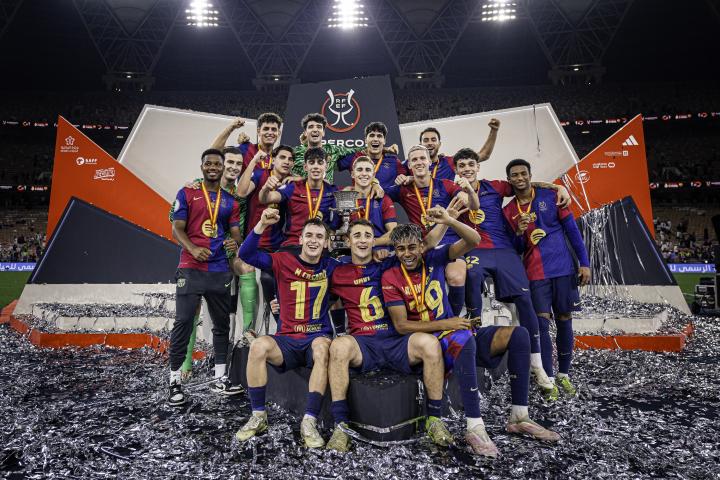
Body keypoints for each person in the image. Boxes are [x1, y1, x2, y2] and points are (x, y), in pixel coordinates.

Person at [382, 212, 559, 458]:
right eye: (400, 249)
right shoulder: (390, 275)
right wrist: (449, 322)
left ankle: (519, 416)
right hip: (429, 341)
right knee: (464, 337)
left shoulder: (434, 257)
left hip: (452, 334)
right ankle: (474, 427)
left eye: (412, 247)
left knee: (519, 335)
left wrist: (449, 221)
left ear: (422, 246)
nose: (407, 254)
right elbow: (401, 326)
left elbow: (474, 240)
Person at [454, 147, 571, 401]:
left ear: (478, 167)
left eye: (471, 164)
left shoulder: (495, 186)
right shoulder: (452, 191)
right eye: (462, 165)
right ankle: (473, 338)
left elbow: (525, 184)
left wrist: (557, 187)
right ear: (456, 170)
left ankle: (538, 367)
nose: (467, 169)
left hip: (504, 250)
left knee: (525, 301)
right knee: (471, 276)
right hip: (475, 249)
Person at [325, 219, 451, 452]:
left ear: (374, 240)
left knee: (430, 344)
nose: (363, 240)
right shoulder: (338, 272)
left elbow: (426, 244)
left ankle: (435, 419)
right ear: (348, 241)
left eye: (367, 235)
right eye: (357, 235)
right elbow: (315, 295)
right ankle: (341, 426)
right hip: (364, 343)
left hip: (396, 340)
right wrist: (280, 305)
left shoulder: (388, 263)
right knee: (339, 346)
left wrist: (446, 221)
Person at [236, 209, 339, 447]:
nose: (314, 240)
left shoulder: (332, 266)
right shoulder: (283, 260)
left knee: (323, 348)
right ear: (300, 239)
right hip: (287, 340)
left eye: (319, 237)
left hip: (316, 337)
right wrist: (261, 224)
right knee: (258, 346)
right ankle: (258, 416)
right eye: (309, 235)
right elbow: (246, 254)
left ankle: (309, 421)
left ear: (326, 243)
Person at [503, 158, 591, 397]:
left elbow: (572, 230)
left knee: (564, 318)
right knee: (541, 324)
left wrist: (584, 263)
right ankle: (548, 379)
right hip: (535, 273)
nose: (520, 178)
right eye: (515, 175)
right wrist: (519, 232)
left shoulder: (552, 196)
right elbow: (515, 247)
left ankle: (564, 374)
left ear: (530, 175)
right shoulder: (508, 211)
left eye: (523, 173)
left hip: (563, 268)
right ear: (509, 180)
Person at [167, 149, 243, 406]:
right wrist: (192, 248)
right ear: (202, 167)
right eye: (208, 163)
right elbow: (176, 228)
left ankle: (220, 378)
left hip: (219, 269)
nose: (213, 167)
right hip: (191, 267)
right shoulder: (187, 193)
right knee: (183, 322)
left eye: (217, 164)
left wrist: (236, 242)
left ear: (223, 168)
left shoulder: (230, 201)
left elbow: (235, 233)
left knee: (221, 325)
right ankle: (174, 381)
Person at [388, 145, 478, 317]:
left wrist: (468, 192)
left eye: (423, 158)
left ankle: (453, 319)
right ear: (409, 165)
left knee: (456, 277)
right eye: (414, 160)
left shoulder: (445, 184)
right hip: (423, 246)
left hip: (448, 241)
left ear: (430, 161)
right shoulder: (403, 189)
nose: (419, 162)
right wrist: (376, 185)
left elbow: (472, 205)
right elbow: (379, 195)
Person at [235, 144, 295, 331]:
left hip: (276, 246)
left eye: (290, 159)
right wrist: (254, 161)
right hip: (254, 243)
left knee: (271, 280)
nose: (286, 162)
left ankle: (282, 328)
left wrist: (298, 178)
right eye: (282, 157)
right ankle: (247, 330)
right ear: (273, 160)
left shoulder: (291, 183)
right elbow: (241, 192)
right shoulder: (261, 174)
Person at [259, 147, 340, 249]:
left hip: (319, 246)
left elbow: (336, 224)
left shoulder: (332, 191)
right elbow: (265, 199)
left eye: (320, 163)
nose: (316, 166)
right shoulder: (293, 187)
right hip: (294, 244)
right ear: (305, 167)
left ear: (326, 166)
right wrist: (266, 188)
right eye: (311, 162)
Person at [413, 119, 500, 181]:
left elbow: (484, 155)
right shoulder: (411, 164)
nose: (429, 143)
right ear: (420, 145)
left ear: (439, 144)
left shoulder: (448, 162)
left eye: (433, 140)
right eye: (426, 140)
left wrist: (494, 130)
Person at [346, 156, 397, 248]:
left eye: (368, 170)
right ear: (352, 174)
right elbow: (336, 230)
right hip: (352, 250)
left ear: (373, 175)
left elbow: (394, 233)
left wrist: (371, 243)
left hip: (377, 248)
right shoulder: (344, 197)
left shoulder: (383, 199)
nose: (364, 173)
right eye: (360, 170)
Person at [338, 122, 406, 190]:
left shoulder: (394, 161)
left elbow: (408, 178)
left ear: (384, 141)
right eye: (372, 135)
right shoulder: (355, 157)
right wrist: (386, 149)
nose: (375, 139)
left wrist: (407, 178)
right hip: (360, 196)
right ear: (365, 140)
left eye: (379, 136)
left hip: (385, 197)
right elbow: (332, 160)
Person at [211, 113, 283, 170]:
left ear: (279, 133)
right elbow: (213, 153)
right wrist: (231, 127)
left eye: (273, 129)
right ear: (258, 131)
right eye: (266, 129)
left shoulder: (280, 159)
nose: (270, 132)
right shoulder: (247, 148)